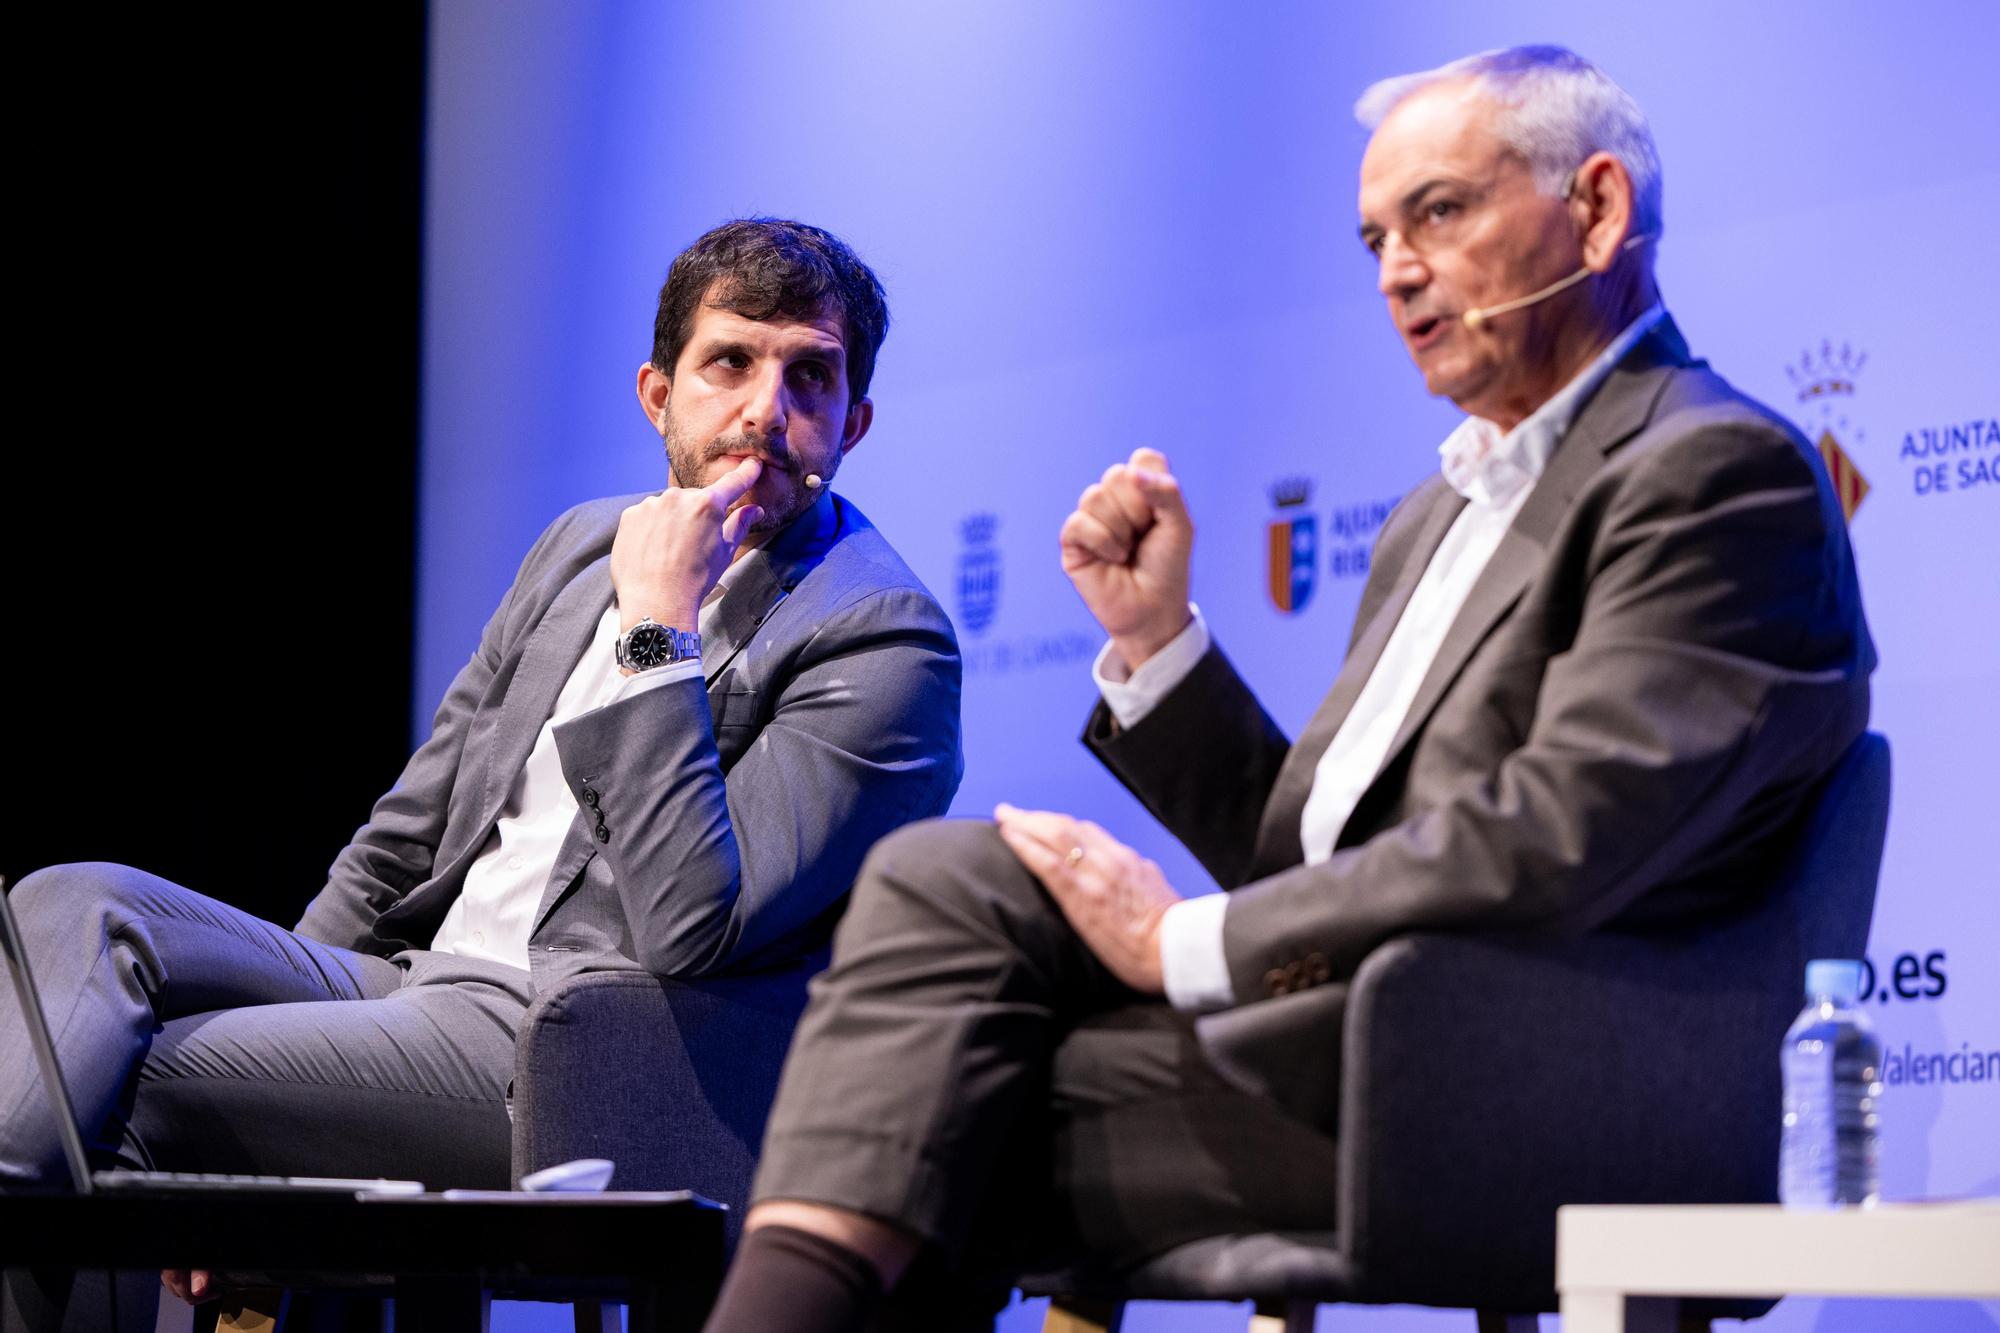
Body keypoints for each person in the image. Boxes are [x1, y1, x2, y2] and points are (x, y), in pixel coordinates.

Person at [701, 47, 1874, 1332]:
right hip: (1359, 1037)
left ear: (1593, 211)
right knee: (955, 881)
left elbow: (1561, 837)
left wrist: (1175, 942)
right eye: (1373, 235)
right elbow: (1321, 857)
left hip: (1530, 1082)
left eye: (1438, 212)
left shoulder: (1713, 473)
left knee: (931, 1101)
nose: (1394, 270)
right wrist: (1157, 650)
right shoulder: (1437, 510)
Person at [0, 218, 962, 1323]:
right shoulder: (576, 548)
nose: (764, 410)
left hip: (575, 1044)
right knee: (70, 902)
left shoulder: (882, 640)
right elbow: (406, 837)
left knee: (132, 1083)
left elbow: (694, 926)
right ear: (658, 394)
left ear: (855, 422)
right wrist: (285, 1008)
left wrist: (658, 633)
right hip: (418, 984)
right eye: (730, 362)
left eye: (810, 376)